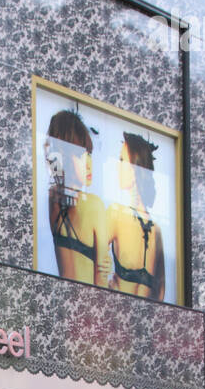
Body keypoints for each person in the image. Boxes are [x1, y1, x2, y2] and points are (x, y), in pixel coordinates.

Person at [44, 109, 109, 287]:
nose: (89, 163)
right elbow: (102, 276)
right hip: (88, 306)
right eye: (81, 155)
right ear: (65, 156)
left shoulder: (52, 199)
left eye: (90, 155)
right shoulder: (94, 205)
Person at [107, 131, 165, 300]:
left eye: (122, 160)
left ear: (135, 169)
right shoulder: (157, 229)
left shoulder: (117, 214)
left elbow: (161, 290)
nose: (118, 166)